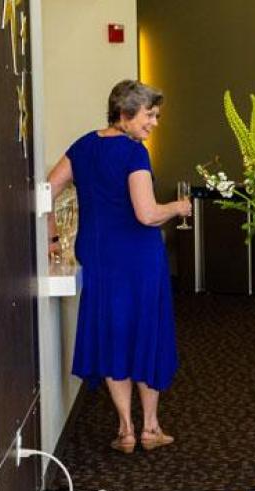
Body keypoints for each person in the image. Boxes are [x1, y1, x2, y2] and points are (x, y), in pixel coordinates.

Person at [45, 80, 191, 454]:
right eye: (149, 115)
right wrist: (177, 207)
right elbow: (147, 214)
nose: (154, 123)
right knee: (146, 332)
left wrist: (53, 237)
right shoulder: (134, 153)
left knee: (114, 334)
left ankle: (126, 429)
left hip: (99, 257)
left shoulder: (82, 146)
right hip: (137, 258)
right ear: (125, 114)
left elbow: (48, 190)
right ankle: (151, 427)